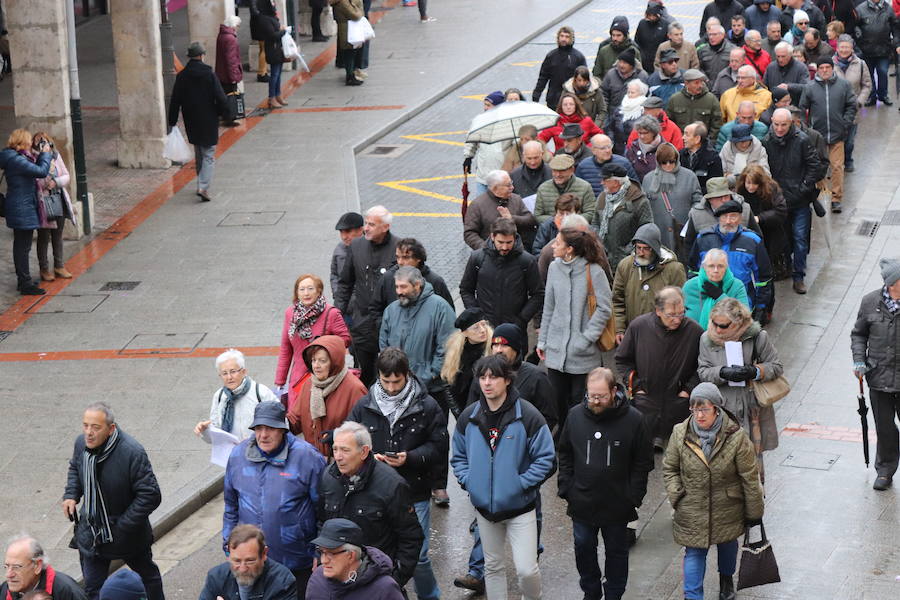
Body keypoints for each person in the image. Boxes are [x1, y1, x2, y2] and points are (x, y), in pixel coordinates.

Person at [451, 355, 555, 600]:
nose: (487, 383)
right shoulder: (469, 417)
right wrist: (470, 482)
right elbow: (459, 456)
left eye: (494, 377)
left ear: (507, 380)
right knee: (493, 567)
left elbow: (546, 458)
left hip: (521, 508)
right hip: (485, 510)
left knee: (527, 570)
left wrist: (519, 484)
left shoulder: (529, 416)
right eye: (483, 377)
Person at [346, 347, 446, 599]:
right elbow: (350, 441)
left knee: (419, 557)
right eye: (385, 381)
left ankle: (429, 596)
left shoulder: (427, 406)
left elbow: (439, 447)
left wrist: (409, 458)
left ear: (407, 375)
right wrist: (369, 457)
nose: (391, 388)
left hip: (414, 492)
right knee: (380, 555)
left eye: (397, 381)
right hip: (375, 492)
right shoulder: (364, 405)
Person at [557, 367, 653, 600]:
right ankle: (590, 591)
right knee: (583, 549)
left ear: (613, 392)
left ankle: (614, 594)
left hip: (618, 503)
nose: (596, 401)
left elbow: (643, 462)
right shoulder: (575, 415)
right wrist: (566, 487)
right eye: (592, 396)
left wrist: (634, 496)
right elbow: (565, 452)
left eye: (601, 396)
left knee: (617, 554)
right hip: (582, 501)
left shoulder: (634, 420)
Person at [662, 382, 764, 600]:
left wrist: (754, 513)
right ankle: (693, 596)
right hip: (692, 506)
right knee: (694, 553)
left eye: (704, 409)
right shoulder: (680, 433)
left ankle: (726, 579)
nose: (698, 415)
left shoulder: (736, 437)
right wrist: (677, 495)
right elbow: (669, 468)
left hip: (726, 506)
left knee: (727, 544)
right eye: (694, 409)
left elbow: (749, 477)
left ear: (716, 408)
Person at [63, 402, 164, 600]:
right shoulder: (80, 444)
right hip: (92, 533)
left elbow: (150, 495)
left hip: (127, 535)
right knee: (94, 589)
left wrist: (122, 526)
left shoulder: (132, 452)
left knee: (148, 580)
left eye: (95, 427)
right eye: (85, 425)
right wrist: (71, 494)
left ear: (111, 429)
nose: (88, 433)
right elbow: (76, 467)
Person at [224, 401, 325, 596]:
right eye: (258, 428)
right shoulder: (238, 456)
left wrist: (320, 550)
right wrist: (228, 544)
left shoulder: (307, 457)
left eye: (270, 428)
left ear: (283, 429)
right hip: (251, 562)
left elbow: (325, 509)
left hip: (296, 562)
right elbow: (230, 505)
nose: (263, 435)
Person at [317, 421, 424, 588]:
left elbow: (411, 537)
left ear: (364, 452)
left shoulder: (392, 485)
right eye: (335, 449)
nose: (337, 456)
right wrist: (322, 560)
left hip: (376, 580)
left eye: (345, 450)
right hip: (337, 580)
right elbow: (322, 523)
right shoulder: (328, 478)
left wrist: (394, 580)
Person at [697, 298, 783, 481]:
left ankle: (753, 502)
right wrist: (722, 373)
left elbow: (776, 366)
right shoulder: (706, 339)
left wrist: (755, 371)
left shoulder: (758, 336)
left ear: (738, 323)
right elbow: (703, 372)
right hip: (721, 412)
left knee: (751, 462)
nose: (717, 330)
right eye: (714, 323)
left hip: (751, 410)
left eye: (724, 325)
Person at [538, 229, 612, 429]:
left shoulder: (594, 271)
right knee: (557, 402)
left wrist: (586, 338)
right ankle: (562, 440)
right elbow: (549, 306)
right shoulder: (554, 268)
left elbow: (605, 308)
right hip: (555, 352)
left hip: (584, 355)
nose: (553, 246)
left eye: (558, 243)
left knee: (580, 404)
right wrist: (543, 340)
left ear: (569, 249)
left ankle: (578, 439)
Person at [616, 287, 704, 449]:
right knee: (642, 457)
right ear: (658, 311)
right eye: (671, 315)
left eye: (681, 313)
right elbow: (622, 360)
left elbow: (702, 366)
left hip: (679, 407)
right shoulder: (639, 327)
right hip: (646, 404)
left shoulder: (694, 331)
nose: (677, 319)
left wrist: (687, 390)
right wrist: (636, 387)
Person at [762, 107, 826, 294]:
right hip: (778, 201)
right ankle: (788, 267)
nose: (780, 128)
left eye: (784, 125)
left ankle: (799, 276)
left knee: (799, 239)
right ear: (772, 121)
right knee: (785, 240)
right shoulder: (766, 142)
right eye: (776, 124)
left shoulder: (802, 140)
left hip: (799, 201)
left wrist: (803, 188)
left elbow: (814, 166)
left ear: (791, 123)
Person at [334, 205, 399, 386]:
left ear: (385, 227)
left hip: (390, 323)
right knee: (365, 373)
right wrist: (336, 315)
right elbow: (345, 283)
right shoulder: (356, 246)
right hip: (362, 322)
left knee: (391, 371)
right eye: (366, 223)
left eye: (371, 224)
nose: (366, 228)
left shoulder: (398, 247)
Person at [852, 258, 900, 490]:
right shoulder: (870, 302)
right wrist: (859, 360)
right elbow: (859, 334)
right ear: (892, 282)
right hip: (879, 377)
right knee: (885, 427)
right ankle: (885, 471)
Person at [379, 266, 455, 409]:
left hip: (431, 390)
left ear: (417, 285)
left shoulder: (440, 307)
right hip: (397, 389)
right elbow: (384, 344)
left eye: (403, 287)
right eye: (397, 287)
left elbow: (447, 346)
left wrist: (430, 375)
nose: (399, 292)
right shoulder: (391, 310)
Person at [275, 274, 350, 410]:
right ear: (296, 293)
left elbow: (345, 339)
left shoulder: (331, 313)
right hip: (298, 379)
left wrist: (324, 346)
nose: (306, 293)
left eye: (310, 289)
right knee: (297, 417)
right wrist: (280, 381)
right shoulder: (290, 313)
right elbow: (286, 349)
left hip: (324, 378)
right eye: (301, 289)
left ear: (319, 291)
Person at [689, 199, 774, 319]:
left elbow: (764, 278)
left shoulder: (753, 241)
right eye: (724, 216)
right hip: (708, 304)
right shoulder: (703, 238)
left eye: (733, 216)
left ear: (740, 218)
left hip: (741, 304)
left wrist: (761, 306)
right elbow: (693, 271)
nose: (728, 221)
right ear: (719, 218)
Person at [167, 42, 228, 201]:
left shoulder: (182, 76)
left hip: (191, 118)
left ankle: (201, 183)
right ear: (202, 55)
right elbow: (220, 97)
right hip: (208, 117)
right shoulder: (209, 74)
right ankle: (203, 186)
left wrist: (172, 121)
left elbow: (175, 100)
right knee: (208, 154)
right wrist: (225, 113)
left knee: (199, 151)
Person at [287, 335, 366, 456]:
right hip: (313, 460)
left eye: (322, 361)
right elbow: (296, 419)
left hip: (342, 463)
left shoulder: (355, 389)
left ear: (335, 362)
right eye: (313, 360)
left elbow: (363, 431)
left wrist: (338, 435)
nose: (316, 366)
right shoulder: (309, 384)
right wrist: (278, 420)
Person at [460, 218, 544, 330]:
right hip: (485, 329)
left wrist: (521, 320)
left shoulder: (527, 261)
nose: (505, 247)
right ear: (492, 237)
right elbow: (466, 289)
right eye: (501, 242)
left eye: (509, 242)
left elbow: (538, 293)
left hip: (515, 330)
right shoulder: (477, 258)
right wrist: (477, 316)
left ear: (515, 238)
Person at [612, 223, 687, 342]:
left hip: (664, 337)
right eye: (638, 247)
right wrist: (619, 328)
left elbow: (682, 304)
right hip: (633, 336)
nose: (641, 252)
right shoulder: (625, 266)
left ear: (655, 248)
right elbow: (617, 301)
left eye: (646, 248)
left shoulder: (674, 269)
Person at [799, 59, 857, 212]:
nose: (824, 70)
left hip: (838, 134)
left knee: (837, 167)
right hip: (817, 137)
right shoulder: (810, 87)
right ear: (817, 69)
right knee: (818, 168)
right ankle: (821, 195)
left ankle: (836, 199)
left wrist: (846, 123)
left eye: (827, 67)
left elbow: (851, 105)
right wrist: (807, 130)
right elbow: (802, 109)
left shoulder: (843, 85)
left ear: (832, 69)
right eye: (821, 68)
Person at [1, 129, 53, 295]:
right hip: (21, 207)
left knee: (22, 245)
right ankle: (25, 283)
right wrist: (45, 155)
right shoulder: (15, 160)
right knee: (22, 246)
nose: (31, 143)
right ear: (22, 142)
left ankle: (24, 279)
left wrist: (40, 152)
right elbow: (40, 172)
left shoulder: (17, 157)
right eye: (29, 141)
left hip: (23, 206)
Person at [306, 519, 405, 599]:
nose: (324, 561)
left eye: (331, 554)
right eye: (322, 552)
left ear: (351, 556)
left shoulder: (384, 588)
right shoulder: (317, 579)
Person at [195, 348, 279, 442]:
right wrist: (205, 430)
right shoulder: (219, 396)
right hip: (231, 453)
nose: (229, 377)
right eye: (224, 373)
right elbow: (216, 436)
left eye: (233, 371)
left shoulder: (261, 392)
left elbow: (280, 423)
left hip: (260, 452)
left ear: (243, 372)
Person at [370, 239, 454, 332]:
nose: (400, 262)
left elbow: (447, 314)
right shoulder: (388, 278)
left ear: (418, 258)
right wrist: (387, 328)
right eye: (398, 257)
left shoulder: (435, 281)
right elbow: (375, 308)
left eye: (405, 257)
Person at [199, 525, 296, 600]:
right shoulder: (216, 577)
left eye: (250, 561)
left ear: (264, 554)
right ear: (228, 554)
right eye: (236, 561)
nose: (242, 568)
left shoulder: (283, 582)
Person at [643, 142, 703, 261]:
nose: (668, 165)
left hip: (683, 233)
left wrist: (691, 218)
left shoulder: (689, 176)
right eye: (664, 162)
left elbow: (698, 201)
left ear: (677, 159)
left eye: (672, 161)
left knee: (682, 265)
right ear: (658, 162)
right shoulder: (648, 179)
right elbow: (644, 207)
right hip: (659, 233)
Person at [31, 132, 75, 283]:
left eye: (46, 142)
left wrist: (56, 182)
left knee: (58, 234)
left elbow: (66, 176)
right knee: (43, 237)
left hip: (58, 199)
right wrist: (46, 182)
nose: (44, 145)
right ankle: (44, 269)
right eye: (40, 142)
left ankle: (59, 266)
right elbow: (37, 180)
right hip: (43, 202)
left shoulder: (55, 156)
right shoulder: (33, 159)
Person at [593, 162, 653, 268]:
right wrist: (599, 243)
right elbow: (595, 223)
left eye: (605, 180)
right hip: (604, 259)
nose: (601, 183)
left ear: (616, 182)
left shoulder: (639, 200)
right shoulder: (602, 198)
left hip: (629, 261)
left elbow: (646, 229)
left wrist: (628, 250)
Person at [682, 176, 763, 251]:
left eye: (726, 196)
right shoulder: (696, 214)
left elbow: (758, 237)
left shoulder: (745, 209)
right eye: (719, 197)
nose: (724, 200)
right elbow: (689, 243)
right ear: (710, 199)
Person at [736, 165, 789, 277]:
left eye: (754, 183)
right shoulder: (740, 191)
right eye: (748, 183)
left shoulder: (771, 189)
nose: (750, 187)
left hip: (770, 231)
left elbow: (780, 210)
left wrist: (760, 218)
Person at [464, 166, 538, 246]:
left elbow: (531, 220)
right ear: (495, 188)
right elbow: (470, 233)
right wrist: (486, 249)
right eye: (508, 185)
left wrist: (512, 218)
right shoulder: (477, 205)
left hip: (517, 252)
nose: (512, 187)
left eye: (511, 183)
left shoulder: (516, 199)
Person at [441, 309, 492, 417]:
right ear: (465, 332)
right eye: (476, 327)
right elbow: (448, 384)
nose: (482, 330)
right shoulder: (455, 353)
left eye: (483, 325)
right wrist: (459, 415)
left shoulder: (493, 348)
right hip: (465, 411)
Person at [0, 536, 86, 600]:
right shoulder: (5, 589)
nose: (9, 574)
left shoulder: (67, 591)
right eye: (6, 566)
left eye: (16, 567)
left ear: (37, 566)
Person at [832, 34, 872, 173]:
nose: (844, 50)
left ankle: (848, 159)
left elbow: (867, 85)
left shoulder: (860, 64)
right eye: (842, 47)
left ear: (852, 48)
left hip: (853, 108)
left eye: (847, 47)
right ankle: (837, 162)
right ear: (837, 48)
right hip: (834, 108)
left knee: (849, 140)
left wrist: (860, 101)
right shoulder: (830, 64)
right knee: (836, 138)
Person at [537, 215, 614, 286]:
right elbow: (541, 287)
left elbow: (607, 281)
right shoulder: (549, 252)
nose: (585, 237)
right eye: (580, 234)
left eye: (585, 233)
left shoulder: (594, 247)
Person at [683, 248, 750, 328]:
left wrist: (720, 297)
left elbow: (745, 317)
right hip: (694, 337)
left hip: (727, 336)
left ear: (726, 268)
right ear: (704, 267)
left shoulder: (736, 286)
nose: (716, 270)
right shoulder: (690, 286)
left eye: (720, 266)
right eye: (711, 266)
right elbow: (679, 316)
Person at [463, 91, 509, 197]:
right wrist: (468, 157)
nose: (485, 108)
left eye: (489, 105)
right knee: (482, 206)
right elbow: (471, 139)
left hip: (501, 174)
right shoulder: (480, 121)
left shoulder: (507, 123)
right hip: (483, 175)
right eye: (485, 104)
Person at [854, 0, 899, 106]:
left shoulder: (888, 8)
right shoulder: (860, 9)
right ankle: (871, 96)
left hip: (884, 48)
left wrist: (896, 42)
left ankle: (883, 95)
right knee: (869, 75)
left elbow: (895, 26)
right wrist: (859, 36)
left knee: (883, 71)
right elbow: (855, 25)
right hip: (866, 49)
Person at [532, 26, 587, 109]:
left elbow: (584, 79)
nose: (563, 39)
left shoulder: (578, 57)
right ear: (558, 37)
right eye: (561, 36)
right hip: (553, 100)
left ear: (571, 39)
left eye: (567, 37)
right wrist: (536, 95)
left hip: (572, 100)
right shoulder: (551, 56)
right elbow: (543, 77)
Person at [533, 153, 597, 223]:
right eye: (554, 170)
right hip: (551, 230)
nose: (557, 174)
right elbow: (537, 215)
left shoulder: (585, 187)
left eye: (562, 171)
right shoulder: (543, 189)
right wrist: (556, 220)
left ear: (572, 170)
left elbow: (591, 213)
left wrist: (571, 221)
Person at [666, 69, 723, 143]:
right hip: (680, 143)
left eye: (701, 82)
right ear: (686, 83)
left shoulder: (711, 99)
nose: (700, 85)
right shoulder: (675, 99)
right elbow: (670, 123)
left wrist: (709, 142)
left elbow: (716, 125)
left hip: (703, 144)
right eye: (696, 83)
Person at [538, 93, 604, 155]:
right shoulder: (555, 122)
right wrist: (549, 154)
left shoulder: (586, 121)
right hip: (562, 159)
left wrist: (589, 148)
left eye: (571, 104)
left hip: (583, 157)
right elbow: (540, 140)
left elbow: (600, 136)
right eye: (565, 105)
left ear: (576, 106)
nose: (568, 107)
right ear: (561, 107)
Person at [600, 48, 650, 116]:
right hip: (613, 115)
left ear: (631, 65)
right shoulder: (611, 74)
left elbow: (646, 97)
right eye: (620, 62)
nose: (621, 65)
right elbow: (603, 94)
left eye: (625, 63)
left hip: (634, 114)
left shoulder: (642, 76)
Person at [606, 80, 650, 154]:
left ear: (641, 93)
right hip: (617, 149)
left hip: (636, 150)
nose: (629, 94)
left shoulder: (644, 111)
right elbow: (610, 128)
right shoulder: (619, 109)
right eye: (628, 92)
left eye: (632, 92)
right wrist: (611, 142)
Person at [680, 121, 724, 194]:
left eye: (687, 135)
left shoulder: (713, 159)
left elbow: (716, 187)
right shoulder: (680, 155)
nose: (683, 137)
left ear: (697, 139)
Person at [215, 14, 242, 123]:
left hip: (222, 72)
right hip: (228, 74)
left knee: (224, 95)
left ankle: (224, 115)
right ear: (234, 25)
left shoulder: (222, 35)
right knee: (230, 96)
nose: (238, 28)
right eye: (238, 26)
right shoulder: (230, 38)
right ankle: (229, 117)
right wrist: (233, 77)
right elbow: (231, 60)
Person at [330, 212, 364, 297]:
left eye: (348, 231)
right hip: (343, 301)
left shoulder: (370, 248)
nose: (344, 236)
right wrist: (337, 293)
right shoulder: (339, 249)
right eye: (341, 232)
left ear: (360, 230)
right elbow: (334, 274)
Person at [334, 0, 366, 85]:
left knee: (351, 51)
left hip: (349, 26)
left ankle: (351, 74)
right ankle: (350, 76)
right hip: (347, 27)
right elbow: (355, 15)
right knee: (349, 51)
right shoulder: (343, 2)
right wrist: (360, 12)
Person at [624, 114, 664, 181]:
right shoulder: (633, 149)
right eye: (640, 133)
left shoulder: (665, 149)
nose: (642, 136)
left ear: (654, 132)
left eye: (645, 133)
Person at [635, 3, 671, 71]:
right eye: (649, 15)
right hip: (644, 62)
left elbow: (667, 44)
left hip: (659, 62)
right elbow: (637, 41)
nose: (651, 18)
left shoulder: (665, 25)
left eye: (654, 15)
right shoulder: (642, 24)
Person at [249, 0, 270, 82]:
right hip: (260, 24)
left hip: (259, 24)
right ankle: (262, 73)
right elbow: (254, 11)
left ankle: (262, 71)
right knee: (264, 49)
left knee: (263, 49)